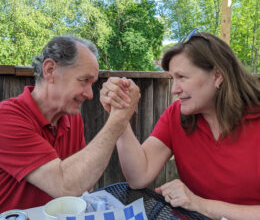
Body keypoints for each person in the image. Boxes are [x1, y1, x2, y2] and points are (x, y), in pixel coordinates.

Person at [0, 35, 140, 220]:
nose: (89, 94)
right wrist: (119, 118)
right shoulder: (2, 118)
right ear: (50, 70)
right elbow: (65, 186)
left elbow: (83, 184)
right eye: (84, 80)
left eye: (92, 84)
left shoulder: (73, 119)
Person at [100, 29, 260, 220]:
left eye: (182, 77)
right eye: (172, 79)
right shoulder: (176, 114)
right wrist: (121, 115)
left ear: (217, 75)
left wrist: (201, 205)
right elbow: (138, 177)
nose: (174, 89)